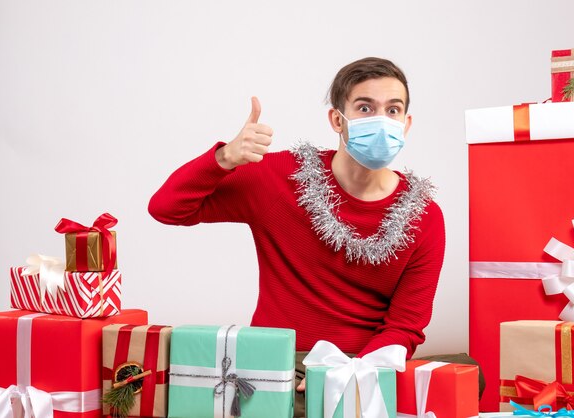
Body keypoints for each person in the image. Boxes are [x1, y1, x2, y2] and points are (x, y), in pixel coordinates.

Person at [149, 57, 479, 417]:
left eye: (393, 110)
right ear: (338, 119)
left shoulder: (425, 217)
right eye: (365, 108)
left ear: (406, 123)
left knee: (466, 378)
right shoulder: (279, 179)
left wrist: (351, 375)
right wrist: (225, 157)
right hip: (285, 365)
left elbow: (405, 325)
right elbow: (167, 208)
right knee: (298, 402)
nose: (381, 120)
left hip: (369, 363)